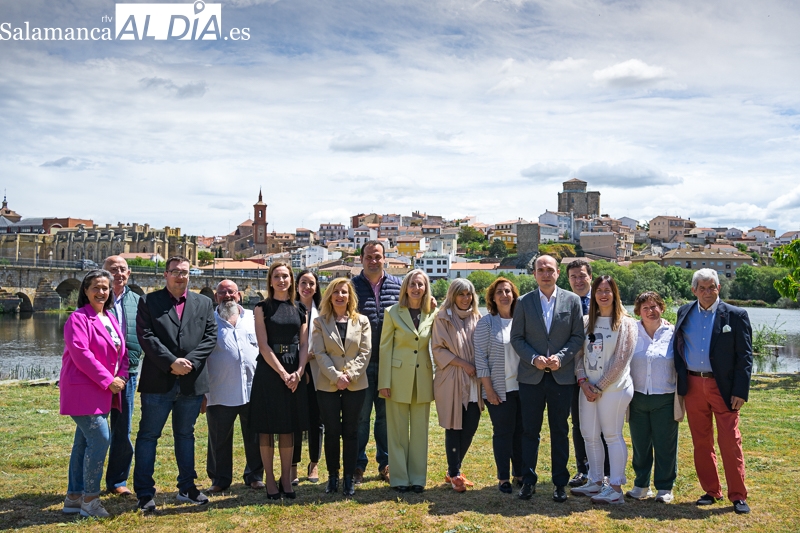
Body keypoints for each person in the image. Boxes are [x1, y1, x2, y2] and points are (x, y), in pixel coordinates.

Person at [134, 255, 217, 512]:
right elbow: (146, 336)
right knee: (149, 436)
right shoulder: (149, 301)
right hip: (158, 381)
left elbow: (210, 336)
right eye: (175, 271)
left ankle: (187, 488)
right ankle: (145, 493)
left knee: (185, 435)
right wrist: (171, 362)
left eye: (184, 272)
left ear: (189, 274)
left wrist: (188, 362)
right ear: (165, 275)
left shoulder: (203, 302)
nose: (180, 276)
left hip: (191, 382)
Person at [673, 269, 753, 515]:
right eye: (702, 288)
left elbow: (745, 356)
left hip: (724, 387)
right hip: (693, 385)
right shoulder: (684, 312)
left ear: (719, 288)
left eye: (712, 287)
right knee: (701, 441)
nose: (707, 292)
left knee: (730, 441)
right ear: (693, 290)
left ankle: (738, 495)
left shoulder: (736, 315)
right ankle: (711, 490)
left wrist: (741, 390)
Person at [510, 255, 584, 503]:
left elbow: (577, 337)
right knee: (529, 431)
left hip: (562, 378)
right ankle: (528, 481)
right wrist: (534, 359)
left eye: (549, 269)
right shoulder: (523, 302)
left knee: (560, 431)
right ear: (534, 274)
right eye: (540, 270)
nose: (545, 273)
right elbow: (517, 338)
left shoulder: (572, 301)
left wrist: (561, 358)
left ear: (557, 273)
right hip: (532, 377)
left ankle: (559, 483)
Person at [61, 269, 129, 518]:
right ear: (86, 291)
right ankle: (90, 499)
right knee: (100, 438)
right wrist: (108, 380)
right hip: (83, 390)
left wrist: (121, 376)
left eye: (105, 287)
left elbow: (120, 352)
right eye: (95, 287)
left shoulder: (109, 317)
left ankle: (74, 497)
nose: (101, 292)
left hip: (105, 390)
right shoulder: (78, 318)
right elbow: (81, 354)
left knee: (83, 442)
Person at [572, 275, 637, 505]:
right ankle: (596, 480)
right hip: (588, 389)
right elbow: (578, 356)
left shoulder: (626, 323)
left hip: (614, 389)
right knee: (589, 435)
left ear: (615, 293)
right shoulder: (586, 321)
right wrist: (583, 381)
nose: (603, 294)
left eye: (608, 290)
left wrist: (599, 386)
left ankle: (616, 487)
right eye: (599, 290)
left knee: (611, 435)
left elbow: (621, 360)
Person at [249, 262, 310, 500]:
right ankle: (271, 480)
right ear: (270, 280)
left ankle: (286, 478)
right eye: (277, 276)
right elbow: (263, 345)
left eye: (285, 276)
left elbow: (304, 344)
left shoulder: (300, 309)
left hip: (294, 366)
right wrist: (283, 374)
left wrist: (299, 370)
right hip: (269, 370)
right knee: (266, 429)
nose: (281, 280)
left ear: (291, 279)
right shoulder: (261, 308)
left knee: (288, 427)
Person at [310, 278, 371, 497]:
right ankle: (333, 476)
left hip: (356, 385)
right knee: (332, 432)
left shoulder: (362, 321)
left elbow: (365, 352)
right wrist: (336, 377)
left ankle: (348, 478)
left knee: (351, 431)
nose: (340, 296)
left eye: (344, 292)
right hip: (328, 385)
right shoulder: (320, 322)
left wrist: (350, 376)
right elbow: (319, 353)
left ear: (350, 296)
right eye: (336, 292)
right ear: (329, 296)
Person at [378, 269, 436, 493]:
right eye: (412, 284)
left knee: (420, 431)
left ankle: (418, 478)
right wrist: (384, 381)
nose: (416, 288)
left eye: (420, 284)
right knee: (397, 431)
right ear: (405, 287)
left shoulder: (433, 312)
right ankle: (400, 478)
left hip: (422, 378)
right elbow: (385, 348)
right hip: (396, 378)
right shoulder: (392, 312)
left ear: (425, 288)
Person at [204, 280, 264, 493]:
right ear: (215, 296)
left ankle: (255, 475)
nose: (227, 296)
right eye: (222, 293)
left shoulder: (254, 317)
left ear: (239, 295)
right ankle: (219, 479)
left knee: (255, 434)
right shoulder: (208, 320)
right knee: (219, 438)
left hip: (252, 388)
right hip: (220, 388)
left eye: (231, 292)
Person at [351, 240, 400, 485]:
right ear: (361, 259)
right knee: (360, 418)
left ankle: (386, 463)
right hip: (360, 363)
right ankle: (357, 466)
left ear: (384, 259)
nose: (373, 260)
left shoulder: (398, 286)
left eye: (377, 256)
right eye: (369, 256)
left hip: (389, 362)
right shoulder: (350, 287)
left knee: (385, 417)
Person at [431, 278, 483, 493]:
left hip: (473, 381)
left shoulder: (477, 317)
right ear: (452, 295)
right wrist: (463, 363)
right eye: (461, 294)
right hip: (451, 378)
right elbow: (438, 349)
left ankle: (454, 469)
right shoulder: (442, 318)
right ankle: (454, 473)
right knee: (454, 425)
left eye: (468, 294)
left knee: (471, 424)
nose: (465, 298)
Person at [626, 291, 678, 504]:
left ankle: (665, 488)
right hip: (637, 398)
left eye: (655, 306)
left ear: (662, 308)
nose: (651, 311)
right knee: (640, 444)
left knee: (665, 445)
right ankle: (641, 485)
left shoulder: (673, 332)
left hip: (664, 398)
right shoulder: (630, 331)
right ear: (638, 311)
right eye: (645, 307)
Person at [474, 277, 523, 494]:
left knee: (522, 432)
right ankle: (504, 477)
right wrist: (489, 389)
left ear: (514, 295)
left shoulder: (522, 320)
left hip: (524, 388)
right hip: (498, 389)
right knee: (503, 433)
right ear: (493, 297)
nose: (504, 295)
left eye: (508, 291)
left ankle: (520, 473)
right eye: (499, 292)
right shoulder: (486, 322)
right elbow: (480, 359)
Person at [565, 259, 609, 487]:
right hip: (574, 373)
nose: (578, 280)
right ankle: (583, 468)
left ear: (590, 277)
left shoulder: (604, 300)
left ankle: (606, 471)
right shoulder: (565, 303)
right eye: (573, 277)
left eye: (582, 276)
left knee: (605, 423)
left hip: (602, 373)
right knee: (579, 423)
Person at [102, 256, 142, 496]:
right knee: (94, 428)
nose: (118, 273)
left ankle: (118, 481)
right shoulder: (96, 298)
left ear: (129, 273)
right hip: (98, 374)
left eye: (122, 269)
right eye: (112, 269)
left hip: (127, 373)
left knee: (123, 428)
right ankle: (87, 480)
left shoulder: (138, 301)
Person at [293, 270, 323, 485]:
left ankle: (314, 463)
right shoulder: (288, 309)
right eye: (303, 282)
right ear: (296, 286)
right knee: (294, 420)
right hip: (294, 370)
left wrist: (312, 357)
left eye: (311, 283)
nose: (307, 287)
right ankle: (292, 463)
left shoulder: (323, 311)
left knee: (317, 419)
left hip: (318, 371)